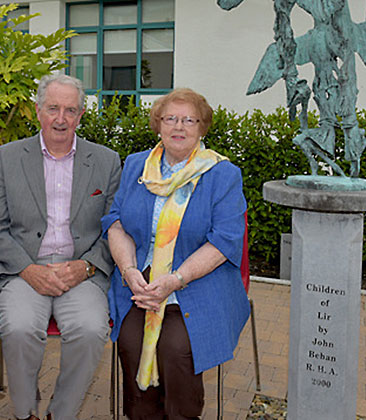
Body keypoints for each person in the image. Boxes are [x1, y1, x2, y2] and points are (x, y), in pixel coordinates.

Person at [102, 88, 250, 419]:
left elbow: (225, 240)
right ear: (158, 124)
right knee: (132, 342)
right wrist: (129, 272)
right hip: (140, 284)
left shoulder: (222, 174)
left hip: (198, 282)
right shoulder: (137, 165)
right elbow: (116, 223)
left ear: (202, 127)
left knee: (176, 350)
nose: (179, 127)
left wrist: (175, 279)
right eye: (171, 118)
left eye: (189, 120)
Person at [0, 74, 121, 420]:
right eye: (53, 109)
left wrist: (86, 266)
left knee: (91, 330)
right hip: (24, 269)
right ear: (37, 111)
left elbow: (114, 230)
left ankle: (61, 412)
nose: (61, 119)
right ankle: (26, 410)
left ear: (81, 115)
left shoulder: (106, 162)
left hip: (82, 272)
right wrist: (29, 270)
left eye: (70, 110)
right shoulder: (8, 157)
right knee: (17, 328)